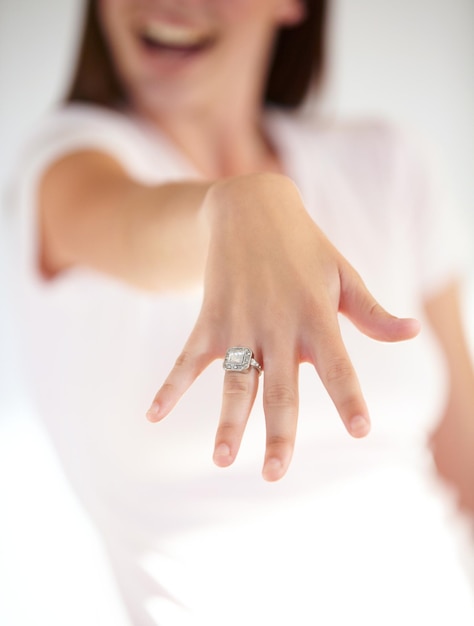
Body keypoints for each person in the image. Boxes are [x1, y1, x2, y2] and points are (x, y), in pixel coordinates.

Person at [6, 0, 474, 623]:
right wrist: (238, 209)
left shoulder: (387, 166)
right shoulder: (67, 167)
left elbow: (465, 464)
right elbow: (130, 225)